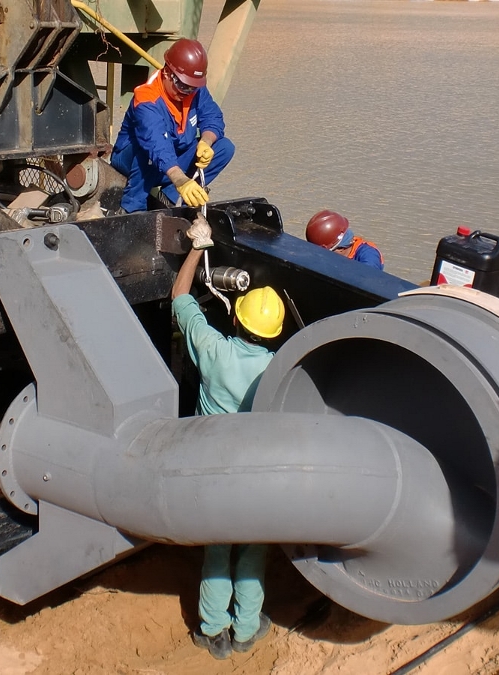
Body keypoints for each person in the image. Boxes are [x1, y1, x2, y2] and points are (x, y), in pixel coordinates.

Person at [171, 219, 282, 660]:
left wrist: (198, 248)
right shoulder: (280, 369)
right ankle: (247, 628)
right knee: (253, 550)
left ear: (235, 317)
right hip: (258, 475)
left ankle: (212, 632)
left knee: (217, 550)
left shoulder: (215, 350)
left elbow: (180, 297)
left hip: (211, 468)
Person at [110, 39, 234, 213]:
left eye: (192, 88)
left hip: (172, 154)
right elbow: (156, 145)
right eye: (182, 86)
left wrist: (206, 141)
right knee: (150, 154)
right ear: (168, 72)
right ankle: (132, 208)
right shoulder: (147, 98)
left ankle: (170, 198)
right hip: (134, 157)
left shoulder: (193, 88)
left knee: (224, 148)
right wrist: (180, 180)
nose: (186, 92)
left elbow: (213, 117)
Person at [305, 209, 384, 270]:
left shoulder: (369, 255)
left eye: (325, 254)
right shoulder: (333, 251)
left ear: (340, 249)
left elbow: (368, 280)